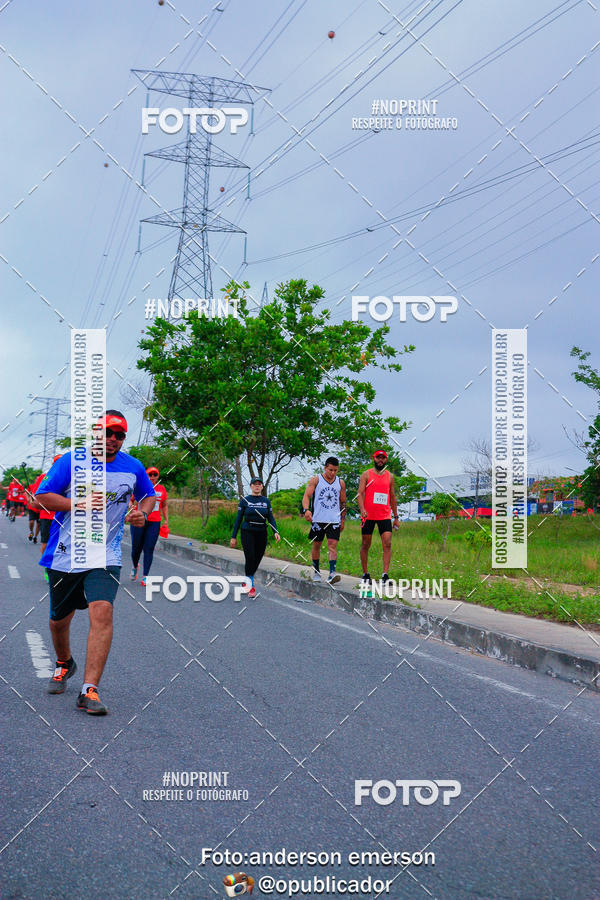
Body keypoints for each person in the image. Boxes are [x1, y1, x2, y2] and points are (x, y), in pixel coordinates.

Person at [35, 410, 156, 715]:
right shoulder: (71, 462)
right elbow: (42, 497)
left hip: (106, 554)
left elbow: (148, 496)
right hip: (66, 554)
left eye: (119, 435)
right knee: (58, 620)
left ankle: (89, 690)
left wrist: (142, 511)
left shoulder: (133, 467)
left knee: (102, 614)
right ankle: (64, 662)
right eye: (108, 433)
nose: (113, 439)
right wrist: (78, 502)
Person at [230, 477, 280, 598]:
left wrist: (275, 531)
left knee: (258, 558)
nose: (257, 486)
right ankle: (250, 586)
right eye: (254, 484)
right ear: (251, 486)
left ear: (262, 487)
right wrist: (233, 536)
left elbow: (271, 518)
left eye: (259, 484)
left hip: (261, 532)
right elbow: (238, 519)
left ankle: (247, 579)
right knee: (250, 557)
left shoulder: (266, 501)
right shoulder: (245, 501)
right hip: (247, 531)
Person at [301, 457, 346, 584]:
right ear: (325, 468)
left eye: (335, 470)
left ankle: (332, 573)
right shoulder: (316, 480)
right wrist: (306, 510)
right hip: (318, 519)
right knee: (317, 545)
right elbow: (307, 496)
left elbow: (343, 502)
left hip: (334, 520)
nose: (332, 473)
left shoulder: (340, 483)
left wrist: (343, 520)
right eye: (330, 470)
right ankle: (316, 571)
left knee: (332, 545)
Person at [357, 450, 399, 584]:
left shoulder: (390, 476)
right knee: (365, 544)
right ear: (373, 458)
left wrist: (396, 516)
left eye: (383, 458)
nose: (380, 460)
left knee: (388, 543)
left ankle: (385, 575)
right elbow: (360, 493)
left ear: (386, 460)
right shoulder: (366, 474)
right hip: (368, 515)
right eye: (378, 458)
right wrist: (362, 509)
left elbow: (392, 496)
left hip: (384, 515)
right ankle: (365, 574)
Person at [130, 466, 169, 587]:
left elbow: (164, 505)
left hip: (154, 522)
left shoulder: (161, 489)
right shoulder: (139, 486)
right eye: (150, 475)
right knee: (136, 549)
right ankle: (135, 566)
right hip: (139, 521)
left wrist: (166, 520)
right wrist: (131, 507)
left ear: (157, 476)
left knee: (149, 548)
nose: (152, 477)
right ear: (146, 476)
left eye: (155, 475)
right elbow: (130, 500)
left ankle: (146, 576)